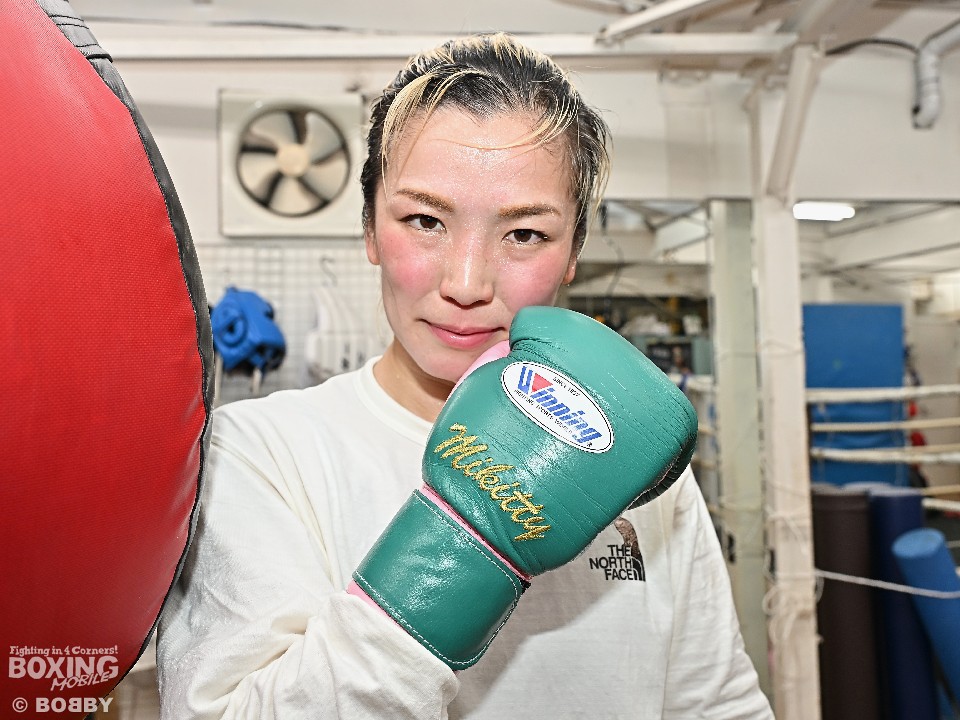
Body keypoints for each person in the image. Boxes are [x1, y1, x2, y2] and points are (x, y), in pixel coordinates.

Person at [157, 32, 773, 719]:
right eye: (425, 220)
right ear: (369, 229)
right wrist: (460, 548)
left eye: (525, 234)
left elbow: (717, 704)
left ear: (574, 252)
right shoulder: (261, 455)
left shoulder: (630, 457)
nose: (467, 283)